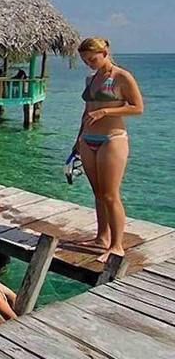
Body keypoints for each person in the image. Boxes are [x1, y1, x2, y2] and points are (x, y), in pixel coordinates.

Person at [72, 37, 143, 263]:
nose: (89, 63)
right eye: (85, 60)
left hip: (112, 139)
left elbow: (137, 108)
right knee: (98, 194)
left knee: (111, 195)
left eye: (92, 59)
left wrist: (105, 113)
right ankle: (102, 238)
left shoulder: (122, 76)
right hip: (87, 139)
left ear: (105, 52)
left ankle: (117, 245)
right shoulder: (90, 79)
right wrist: (77, 139)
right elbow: (87, 111)